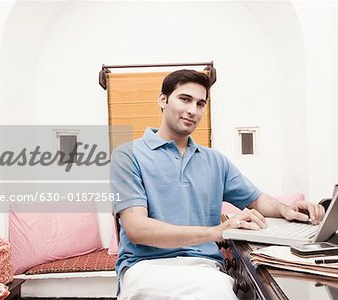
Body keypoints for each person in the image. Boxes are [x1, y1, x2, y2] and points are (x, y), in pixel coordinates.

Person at [110, 69, 325, 299]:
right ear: (163, 100)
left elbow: (256, 199)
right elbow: (136, 229)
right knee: (215, 292)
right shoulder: (128, 155)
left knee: (219, 288)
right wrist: (217, 232)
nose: (193, 110)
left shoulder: (215, 161)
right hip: (145, 267)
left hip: (204, 266)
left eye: (200, 104)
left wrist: (285, 209)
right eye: (185, 99)